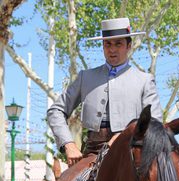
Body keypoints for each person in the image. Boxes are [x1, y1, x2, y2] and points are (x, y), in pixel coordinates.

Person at [47, 17, 163, 167]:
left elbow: (155, 123)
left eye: (118, 44)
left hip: (130, 153)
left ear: (129, 46)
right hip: (91, 153)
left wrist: (124, 136)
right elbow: (55, 110)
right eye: (107, 44)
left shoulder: (145, 80)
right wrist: (68, 144)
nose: (112, 49)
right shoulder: (85, 77)